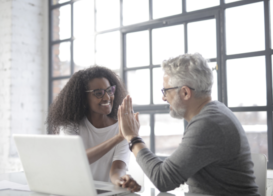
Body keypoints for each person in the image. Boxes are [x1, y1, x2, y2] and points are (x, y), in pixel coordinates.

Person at [117, 53, 260, 195]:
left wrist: (132, 137)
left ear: (185, 92)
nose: (163, 97)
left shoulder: (208, 124)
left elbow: (163, 179)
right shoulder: (215, 112)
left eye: (166, 91)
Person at [46, 66, 141, 192]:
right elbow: (76, 159)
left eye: (109, 90)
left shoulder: (121, 128)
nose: (107, 97)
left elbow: (117, 168)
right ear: (83, 98)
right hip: (73, 192)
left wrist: (121, 180)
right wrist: (117, 138)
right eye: (99, 93)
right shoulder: (71, 125)